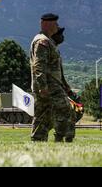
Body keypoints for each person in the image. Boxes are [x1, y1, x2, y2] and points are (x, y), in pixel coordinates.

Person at [30, 13, 71, 142]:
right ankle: (58, 138)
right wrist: (43, 86)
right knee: (65, 108)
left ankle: (38, 140)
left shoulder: (48, 41)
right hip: (49, 85)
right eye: (55, 24)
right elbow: (39, 65)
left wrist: (65, 85)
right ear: (47, 24)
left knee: (43, 116)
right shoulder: (42, 41)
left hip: (51, 84)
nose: (57, 26)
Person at [51, 27, 82, 142]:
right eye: (60, 34)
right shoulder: (48, 47)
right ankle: (63, 137)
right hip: (52, 88)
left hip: (58, 87)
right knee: (68, 112)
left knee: (67, 113)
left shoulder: (55, 49)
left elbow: (59, 73)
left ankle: (63, 137)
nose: (62, 36)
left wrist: (67, 88)